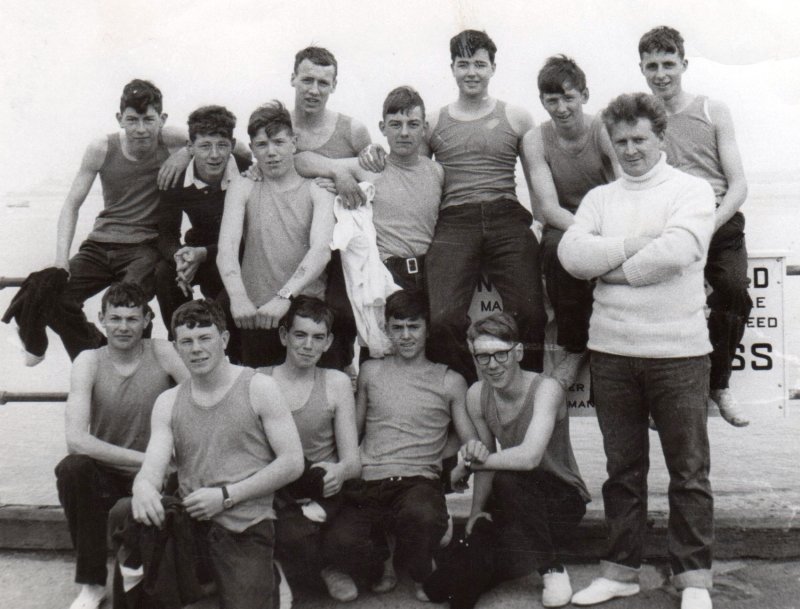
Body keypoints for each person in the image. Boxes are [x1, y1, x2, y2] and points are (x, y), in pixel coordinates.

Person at [559, 93, 716, 609]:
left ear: (661, 138)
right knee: (622, 470)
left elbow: (682, 249)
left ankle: (693, 580)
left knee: (688, 470)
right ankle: (622, 571)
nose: (629, 150)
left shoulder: (692, 190)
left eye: (639, 139)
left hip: (680, 353)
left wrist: (613, 268)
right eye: (620, 141)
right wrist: (637, 244)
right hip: (612, 351)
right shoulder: (601, 199)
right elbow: (571, 254)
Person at [360, 30, 544, 385]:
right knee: (442, 318)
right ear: (453, 69)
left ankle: (525, 393)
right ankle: (469, 393)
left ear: (493, 67)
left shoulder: (518, 117)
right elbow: (412, 170)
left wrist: (540, 224)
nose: (471, 72)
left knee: (531, 312)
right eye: (463, 64)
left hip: (506, 214)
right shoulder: (434, 123)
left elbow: (537, 180)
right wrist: (370, 154)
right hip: (456, 221)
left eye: (479, 64)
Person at [131, 298, 304, 609]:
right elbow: (153, 465)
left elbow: (292, 463)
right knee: (127, 514)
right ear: (177, 348)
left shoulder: (259, 387)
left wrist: (227, 495)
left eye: (205, 338)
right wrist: (142, 486)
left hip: (245, 523)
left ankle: (268, 577)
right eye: (186, 341)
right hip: (193, 521)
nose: (196, 349)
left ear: (223, 340)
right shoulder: (169, 401)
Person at [326, 289, 476, 601]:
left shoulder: (450, 380)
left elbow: (467, 436)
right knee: (341, 539)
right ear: (386, 329)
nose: (406, 336)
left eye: (414, 326)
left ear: (427, 329)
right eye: (398, 327)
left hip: (418, 481)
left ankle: (422, 568)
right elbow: (352, 430)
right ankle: (385, 562)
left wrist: (439, 454)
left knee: (421, 516)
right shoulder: (371, 371)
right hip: (369, 478)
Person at [639, 26, 752, 427]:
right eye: (652, 65)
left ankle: (718, 384)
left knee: (735, 292)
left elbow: (738, 183)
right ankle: (660, 399)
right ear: (642, 69)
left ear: (683, 64)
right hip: (668, 225)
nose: (661, 73)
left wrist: (710, 223)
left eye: (668, 64)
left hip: (718, 220)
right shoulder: (640, 118)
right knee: (657, 303)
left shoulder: (712, 110)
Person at [54, 282, 188, 609]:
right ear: (101, 319)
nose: (123, 327)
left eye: (132, 319)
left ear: (147, 319)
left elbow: (200, 398)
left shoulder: (163, 352)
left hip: (158, 474)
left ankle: (166, 578)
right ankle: (91, 583)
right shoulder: (89, 361)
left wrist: (168, 462)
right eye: (115, 319)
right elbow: (76, 440)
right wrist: (145, 459)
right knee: (72, 469)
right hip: (111, 473)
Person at [450, 312, 590, 607]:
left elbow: (529, 457)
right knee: (450, 586)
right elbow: (487, 458)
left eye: (500, 354)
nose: (492, 365)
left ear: (518, 353)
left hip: (562, 498)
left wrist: (468, 464)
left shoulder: (546, 389)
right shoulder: (477, 394)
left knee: (508, 479)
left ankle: (552, 569)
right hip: (515, 499)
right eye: (482, 357)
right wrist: (476, 512)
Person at [51, 79, 187, 360]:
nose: (140, 129)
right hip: (99, 245)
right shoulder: (102, 147)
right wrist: (61, 259)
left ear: (162, 119)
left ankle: (135, 368)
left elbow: (221, 143)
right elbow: (71, 205)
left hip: (143, 247)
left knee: (130, 304)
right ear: (119, 119)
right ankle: (98, 357)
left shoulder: (172, 140)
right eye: (132, 120)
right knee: (54, 296)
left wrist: (185, 153)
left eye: (148, 120)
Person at [217, 101, 335, 367]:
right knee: (258, 390)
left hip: (305, 309)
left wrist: (284, 297)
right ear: (252, 149)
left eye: (279, 142)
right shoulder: (243, 186)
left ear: (294, 142)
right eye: (262, 145)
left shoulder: (318, 189)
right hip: (255, 310)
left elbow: (320, 251)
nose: (271, 153)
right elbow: (227, 249)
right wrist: (238, 298)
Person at [259, 296, 362, 602]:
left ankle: (329, 565)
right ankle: (284, 569)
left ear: (329, 342)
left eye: (318, 338)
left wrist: (339, 471)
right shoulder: (259, 379)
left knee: (351, 540)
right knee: (293, 536)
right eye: (300, 335)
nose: (308, 345)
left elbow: (352, 461)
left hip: (323, 489)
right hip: (278, 488)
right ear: (283, 336)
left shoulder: (336, 382)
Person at [523, 55, 617, 385]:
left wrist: (602, 230)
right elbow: (548, 206)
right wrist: (583, 232)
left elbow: (624, 184)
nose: (561, 108)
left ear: (584, 95)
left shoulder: (603, 128)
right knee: (553, 252)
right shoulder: (536, 139)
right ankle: (575, 346)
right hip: (565, 222)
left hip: (609, 216)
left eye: (569, 98)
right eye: (552, 100)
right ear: (542, 101)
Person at [293, 85, 444, 291]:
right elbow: (300, 160)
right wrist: (340, 174)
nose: (404, 132)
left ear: (424, 128)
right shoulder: (371, 167)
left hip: (429, 271)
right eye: (396, 124)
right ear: (382, 128)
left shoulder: (437, 172)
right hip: (386, 272)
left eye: (413, 124)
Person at [289, 46, 373, 372]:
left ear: (334, 86)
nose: (314, 90)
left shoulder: (352, 130)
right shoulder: (280, 126)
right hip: (292, 237)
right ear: (292, 78)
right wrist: (337, 171)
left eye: (323, 83)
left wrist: (343, 178)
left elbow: (374, 176)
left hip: (341, 239)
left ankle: (340, 378)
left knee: (341, 310)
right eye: (307, 80)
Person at [154, 105, 250, 356]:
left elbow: (251, 238)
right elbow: (165, 234)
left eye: (222, 145)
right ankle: (179, 345)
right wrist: (179, 256)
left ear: (233, 144)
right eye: (205, 146)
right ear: (190, 146)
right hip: (198, 252)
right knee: (164, 274)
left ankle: (228, 356)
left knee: (222, 313)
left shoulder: (247, 171)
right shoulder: (175, 176)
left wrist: (204, 254)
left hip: (238, 256)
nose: (214, 155)